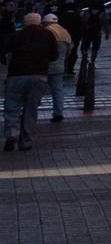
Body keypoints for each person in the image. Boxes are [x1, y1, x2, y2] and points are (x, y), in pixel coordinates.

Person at [5, 10, 68, 151]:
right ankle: (26, 141)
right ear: (39, 22)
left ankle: (11, 135)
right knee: (31, 109)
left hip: (16, 75)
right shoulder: (48, 35)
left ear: (25, 22)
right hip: (39, 76)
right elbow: (54, 55)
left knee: (12, 107)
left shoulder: (17, 34)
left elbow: (3, 50)